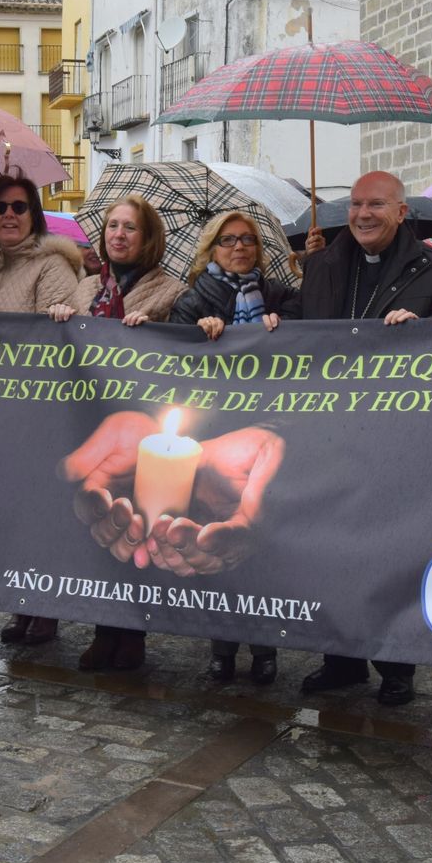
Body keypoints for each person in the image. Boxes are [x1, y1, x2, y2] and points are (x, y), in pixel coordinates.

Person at [296, 169, 432, 706]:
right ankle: (339, 657)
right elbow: (299, 334)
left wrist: (423, 329)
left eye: (376, 205)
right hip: (330, 431)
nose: (363, 214)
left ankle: (395, 663)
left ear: (401, 212)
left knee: (390, 550)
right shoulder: (319, 266)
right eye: (356, 205)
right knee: (332, 547)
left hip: (398, 433)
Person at [49, 195, 185, 671]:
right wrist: (61, 319)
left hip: (139, 429)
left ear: (148, 239)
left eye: (130, 228)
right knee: (93, 530)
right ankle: (103, 629)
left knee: (128, 531)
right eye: (112, 226)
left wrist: (156, 329)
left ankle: (130, 636)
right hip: (88, 421)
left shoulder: (169, 290)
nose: (119, 235)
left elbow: (184, 351)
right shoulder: (87, 288)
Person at [168, 210, 298, 684]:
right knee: (218, 539)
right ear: (211, 250)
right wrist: (200, 336)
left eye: (247, 240)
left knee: (261, 546)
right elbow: (176, 356)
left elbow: (307, 346)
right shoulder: (194, 298)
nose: (239, 248)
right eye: (228, 241)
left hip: (268, 431)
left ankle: (265, 649)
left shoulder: (283, 296)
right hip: (215, 436)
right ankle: (221, 646)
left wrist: (284, 328)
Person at [0, 169, 82, 645]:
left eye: (19, 207)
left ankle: (45, 607)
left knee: (40, 513)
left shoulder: (52, 266)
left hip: (41, 411)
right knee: (8, 511)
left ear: (34, 215)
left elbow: (59, 336)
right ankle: (18, 601)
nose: (9, 215)